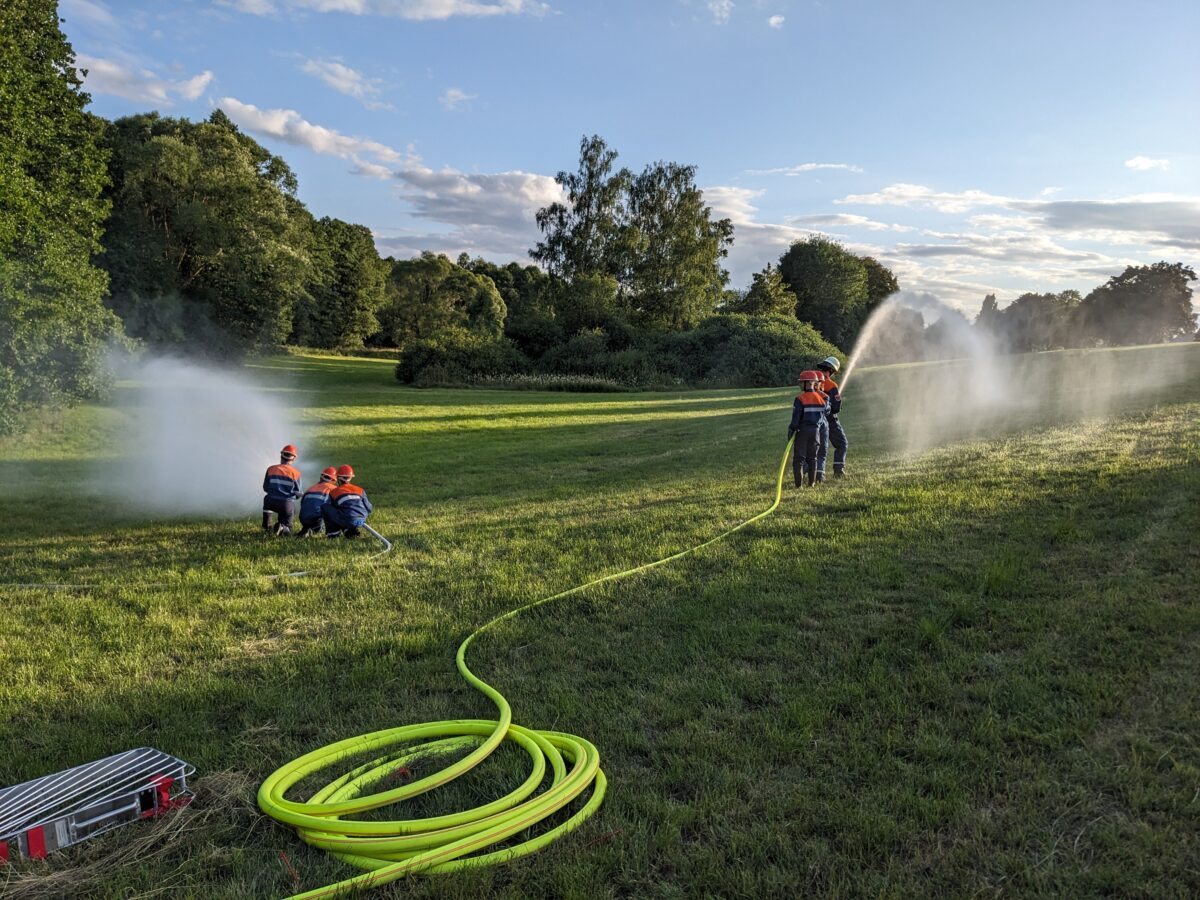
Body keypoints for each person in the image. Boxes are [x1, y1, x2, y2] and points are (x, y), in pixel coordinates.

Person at [788, 370, 829, 488]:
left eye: (802, 382)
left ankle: (798, 486)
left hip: (802, 432)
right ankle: (812, 484)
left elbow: (795, 419)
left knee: (799, 459)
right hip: (816, 432)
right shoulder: (821, 399)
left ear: (809, 383)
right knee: (813, 458)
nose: (800, 385)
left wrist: (792, 430)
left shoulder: (800, 399)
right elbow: (823, 415)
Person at [815, 355, 848, 480]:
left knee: (817, 448)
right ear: (832, 371)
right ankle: (838, 471)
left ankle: (813, 473)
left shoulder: (813, 383)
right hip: (830, 420)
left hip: (814, 420)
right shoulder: (831, 385)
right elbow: (836, 407)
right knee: (842, 444)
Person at [324, 464, 373, 538]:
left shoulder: (334, 492)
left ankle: (333, 533)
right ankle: (350, 530)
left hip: (347, 520)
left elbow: (334, 511)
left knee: (325, 507)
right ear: (350, 478)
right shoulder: (360, 490)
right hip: (361, 519)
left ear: (338, 478)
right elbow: (369, 508)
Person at [262, 444, 302, 535]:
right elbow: (298, 493)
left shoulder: (270, 469)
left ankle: (267, 524)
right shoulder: (296, 473)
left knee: (267, 499)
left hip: (270, 502)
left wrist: (275, 492)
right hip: (286, 504)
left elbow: (265, 487)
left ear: (281, 456)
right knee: (288, 529)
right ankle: (283, 527)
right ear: (293, 459)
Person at [296, 467, 338, 537]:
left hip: (303, 519)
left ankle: (306, 529)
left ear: (321, 477)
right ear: (333, 480)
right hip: (318, 520)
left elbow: (303, 504)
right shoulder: (333, 489)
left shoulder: (311, 488)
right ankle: (313, 531)